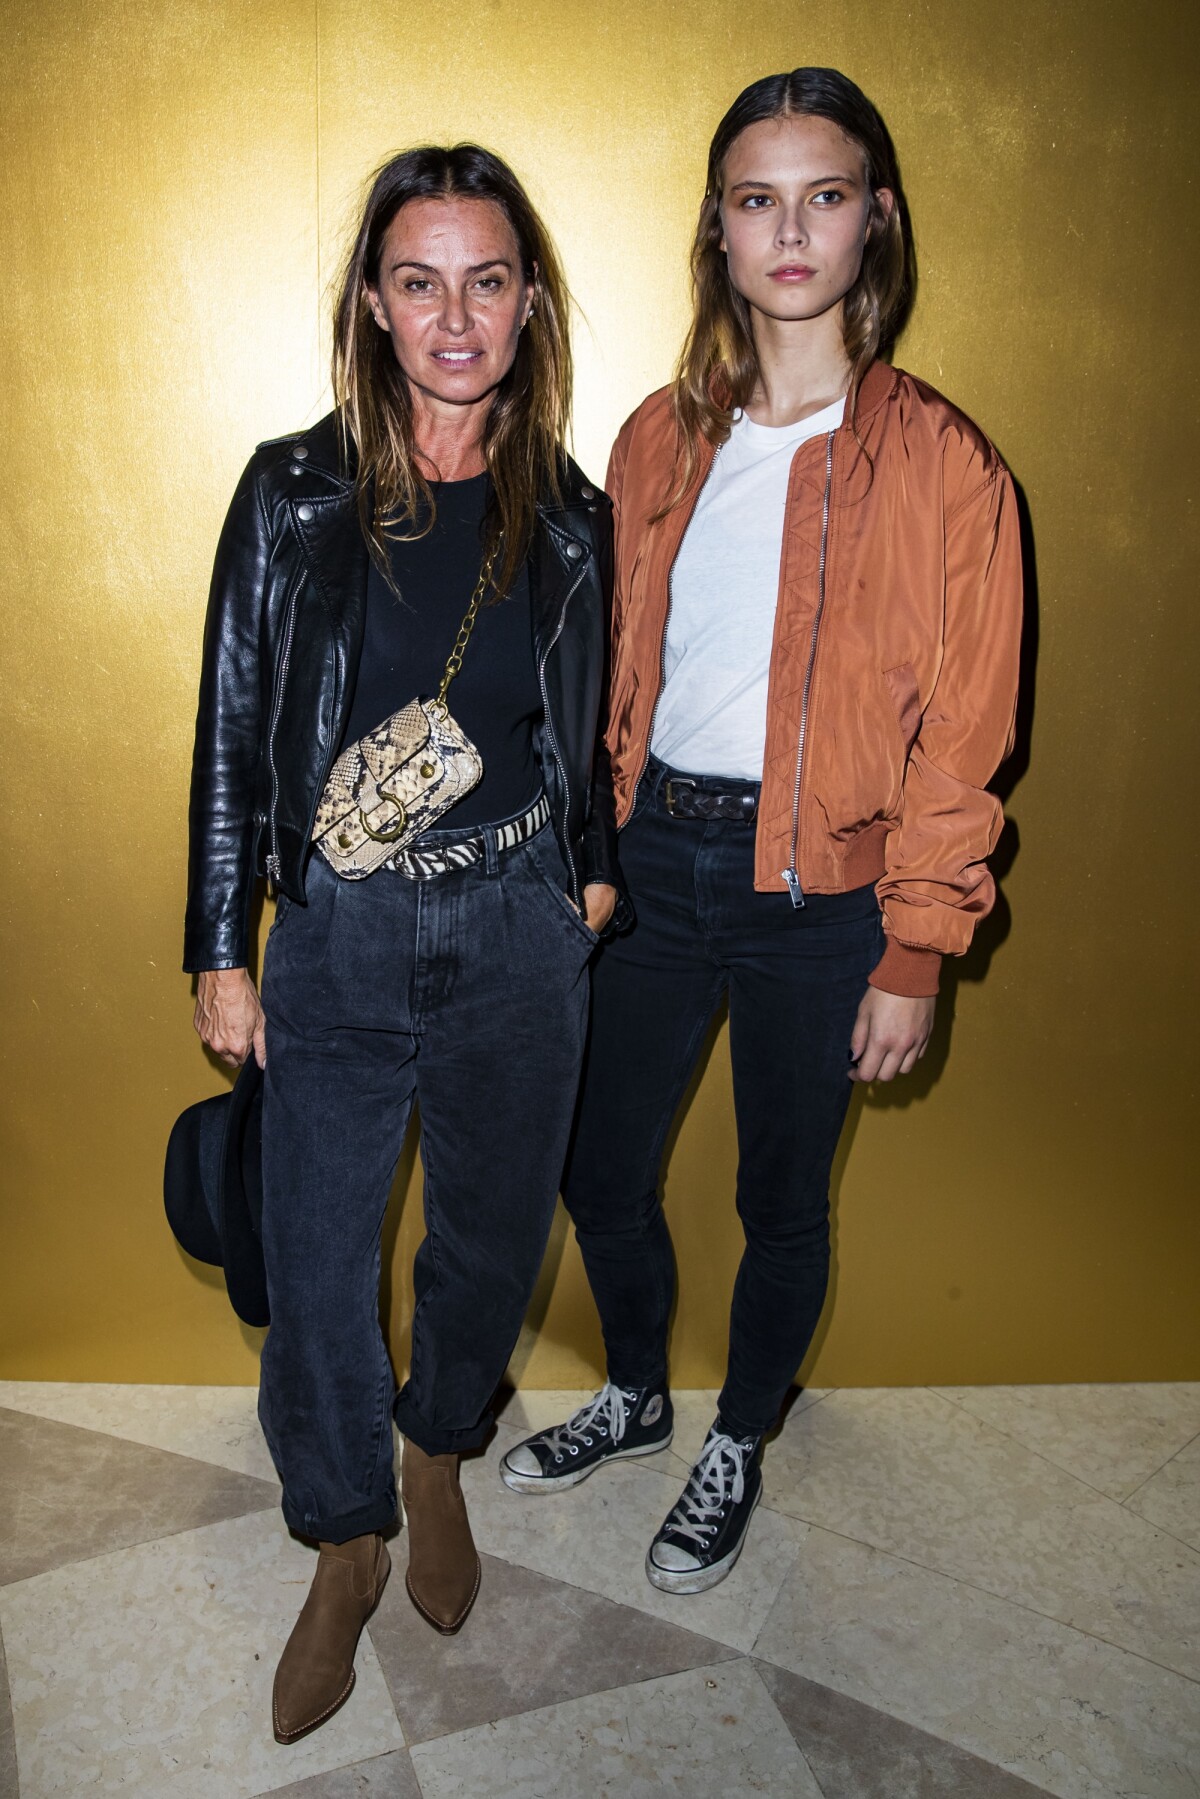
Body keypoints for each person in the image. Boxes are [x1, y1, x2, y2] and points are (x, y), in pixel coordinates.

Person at [502, 69, 1022, 1594]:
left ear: (878, 222)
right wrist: (582, 855)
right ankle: (641, 1391)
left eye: (825, 193)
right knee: (599, 1172)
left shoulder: (949, 471)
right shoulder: (662, 438)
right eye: (755, 198)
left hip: (830, 896)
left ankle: (739, 1432)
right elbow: (606, 673)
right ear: (719, 234)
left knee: (781, 1197)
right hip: (651, 864)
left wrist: (917, 945)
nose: (790, 227)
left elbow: (967, 735)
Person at [184, 143, 619, 1742]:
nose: (455, 316)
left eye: (487, 280)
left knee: (491, 1240)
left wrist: (588, 874)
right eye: (419, 280)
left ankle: (435, 1451)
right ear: (373, 301)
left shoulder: (570, 513)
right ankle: (345, 1534)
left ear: (527, 302)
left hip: (518, 921)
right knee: (315, 1261)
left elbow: (590, 721)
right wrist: (221, 944)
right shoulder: (292, 490)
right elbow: (234, 723)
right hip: (345, 931)